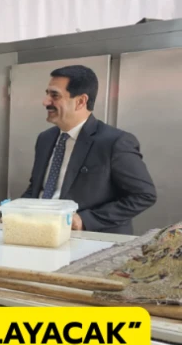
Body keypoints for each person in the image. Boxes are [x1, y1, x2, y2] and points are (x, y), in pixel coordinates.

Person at [21, 65, 156, 235]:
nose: (45, 102)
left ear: (80, 101)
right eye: (47, 94)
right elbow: (36, 188)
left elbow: (144, 195)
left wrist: (85, 220)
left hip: (92, 240)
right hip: (42, 232)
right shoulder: (45, 139)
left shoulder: (115, 142)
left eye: (54, 95)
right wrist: (17, 212)